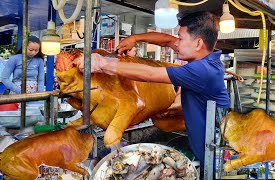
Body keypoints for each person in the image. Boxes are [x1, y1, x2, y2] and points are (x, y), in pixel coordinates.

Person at [75, 11, 230, 168]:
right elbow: (168, 41)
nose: (177, 43)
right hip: (203, 146)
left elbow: (149, 74)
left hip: (213, 154)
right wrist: (135, 38)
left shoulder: (203, 70)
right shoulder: (206, 58)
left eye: (181, 39)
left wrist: (103, 64)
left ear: (198, 43)